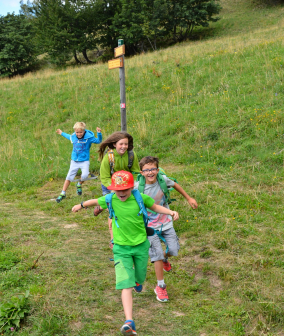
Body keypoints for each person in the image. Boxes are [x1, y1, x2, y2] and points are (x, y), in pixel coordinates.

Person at [72, 170, 179, 335]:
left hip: (141, 245)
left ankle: (137, 281)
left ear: (131, 187)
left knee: (140, 277)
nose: (121, 193)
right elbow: (95, 201)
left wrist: (170, 212)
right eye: (118, 190)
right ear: (113, 189)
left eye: (125, 189)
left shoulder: (139, 198)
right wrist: (80, 205)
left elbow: (156, 207)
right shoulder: (110, 199)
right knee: (126, 284)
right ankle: (129, 321)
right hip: (121, 248)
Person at [135, 156, 198, 303]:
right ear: (141, 172)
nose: (150, 172)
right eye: (147, 170)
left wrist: (189, 198)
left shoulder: (163, 180)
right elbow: (121, 195)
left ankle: (165, 258)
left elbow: (175, 184)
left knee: (174, 250)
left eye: (153, 169)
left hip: (166, 222)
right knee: (155, 254)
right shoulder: (137, 187)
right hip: (149, 225)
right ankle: (160, 286)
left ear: (157, 170)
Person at [54, 122, 102, 203]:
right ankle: (63, 193)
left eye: (80, 132)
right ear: (75, 131)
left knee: (85, 175)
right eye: (77, 132)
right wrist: (61, 133)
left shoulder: (89, 138)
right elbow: (68, 136)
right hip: (74, 161)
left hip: (84, 161)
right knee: (69, 177)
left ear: (84, 131)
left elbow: (98, 141)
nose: (79, 134)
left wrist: (99, 133)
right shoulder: (73, 137)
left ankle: (79, 184)